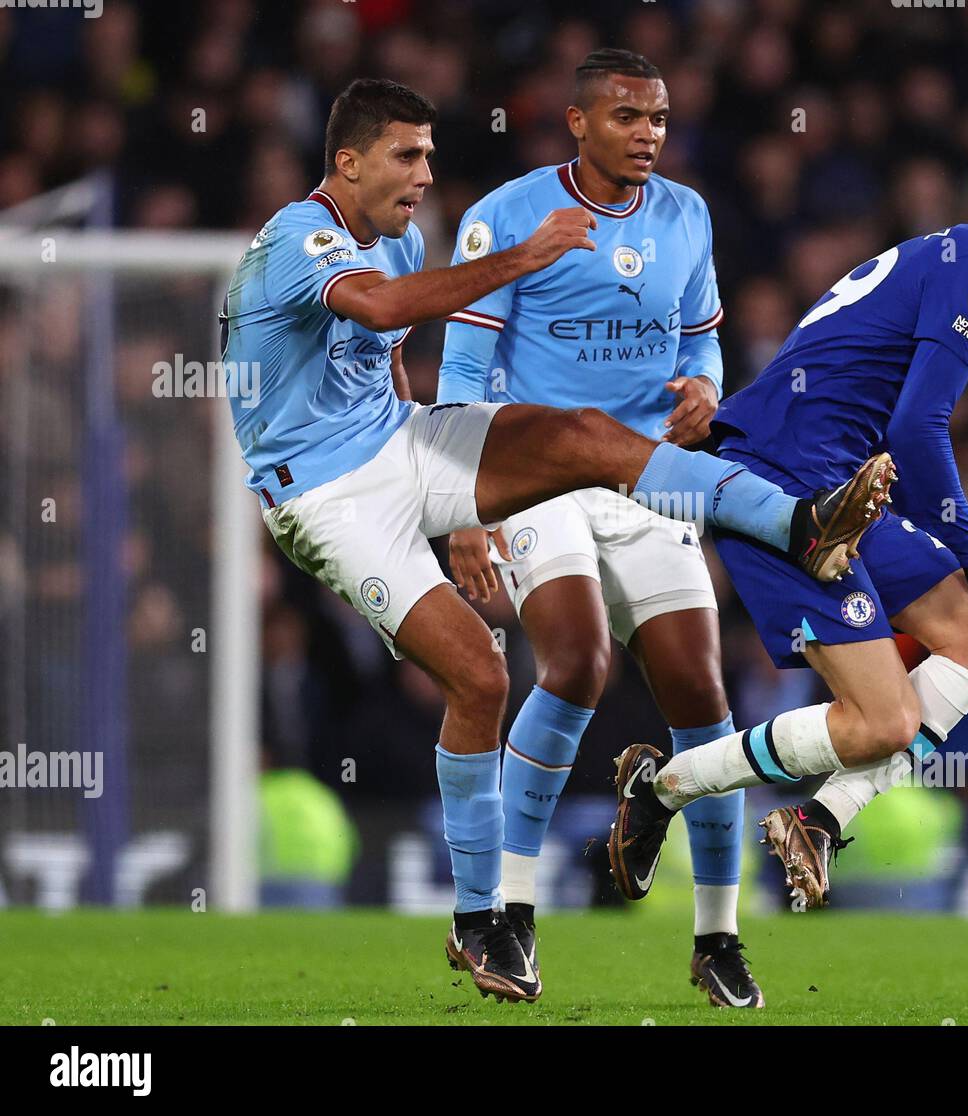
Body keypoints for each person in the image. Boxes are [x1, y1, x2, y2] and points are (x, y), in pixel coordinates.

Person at [220, 77, 892, 1003]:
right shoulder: (301, 237)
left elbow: (386, 365)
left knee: (584, 437)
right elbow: (380, 312)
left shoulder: (407, 237)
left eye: (429, 154)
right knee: (483, 675)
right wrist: (523, 258)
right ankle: (480, 923)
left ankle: (798, 523)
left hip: (398, 444)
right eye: (405, 156)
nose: (424, 173)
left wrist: (457, 495)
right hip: (325, 495)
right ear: (348, 162)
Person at [609, 109, 968, 915]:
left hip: (836, 481)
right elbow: (917, 426)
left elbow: (887, 428)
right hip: (785, 486)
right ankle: (661, 788)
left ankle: (820, 821)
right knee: (883, 722)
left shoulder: (943, 254)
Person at [437, 49, 763, 1008]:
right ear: (575, 122)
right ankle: (514, 917)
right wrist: (464, 508)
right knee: (575, 665)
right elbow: (462, 373)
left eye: (658, 117)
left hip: (645, 479)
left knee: (703, 696)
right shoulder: (506, 214)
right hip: (538, 476)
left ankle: (718, 937)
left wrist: (708, 387)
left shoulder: (688, 215)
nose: (648, 133)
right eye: (627, 116)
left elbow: (702, 336)